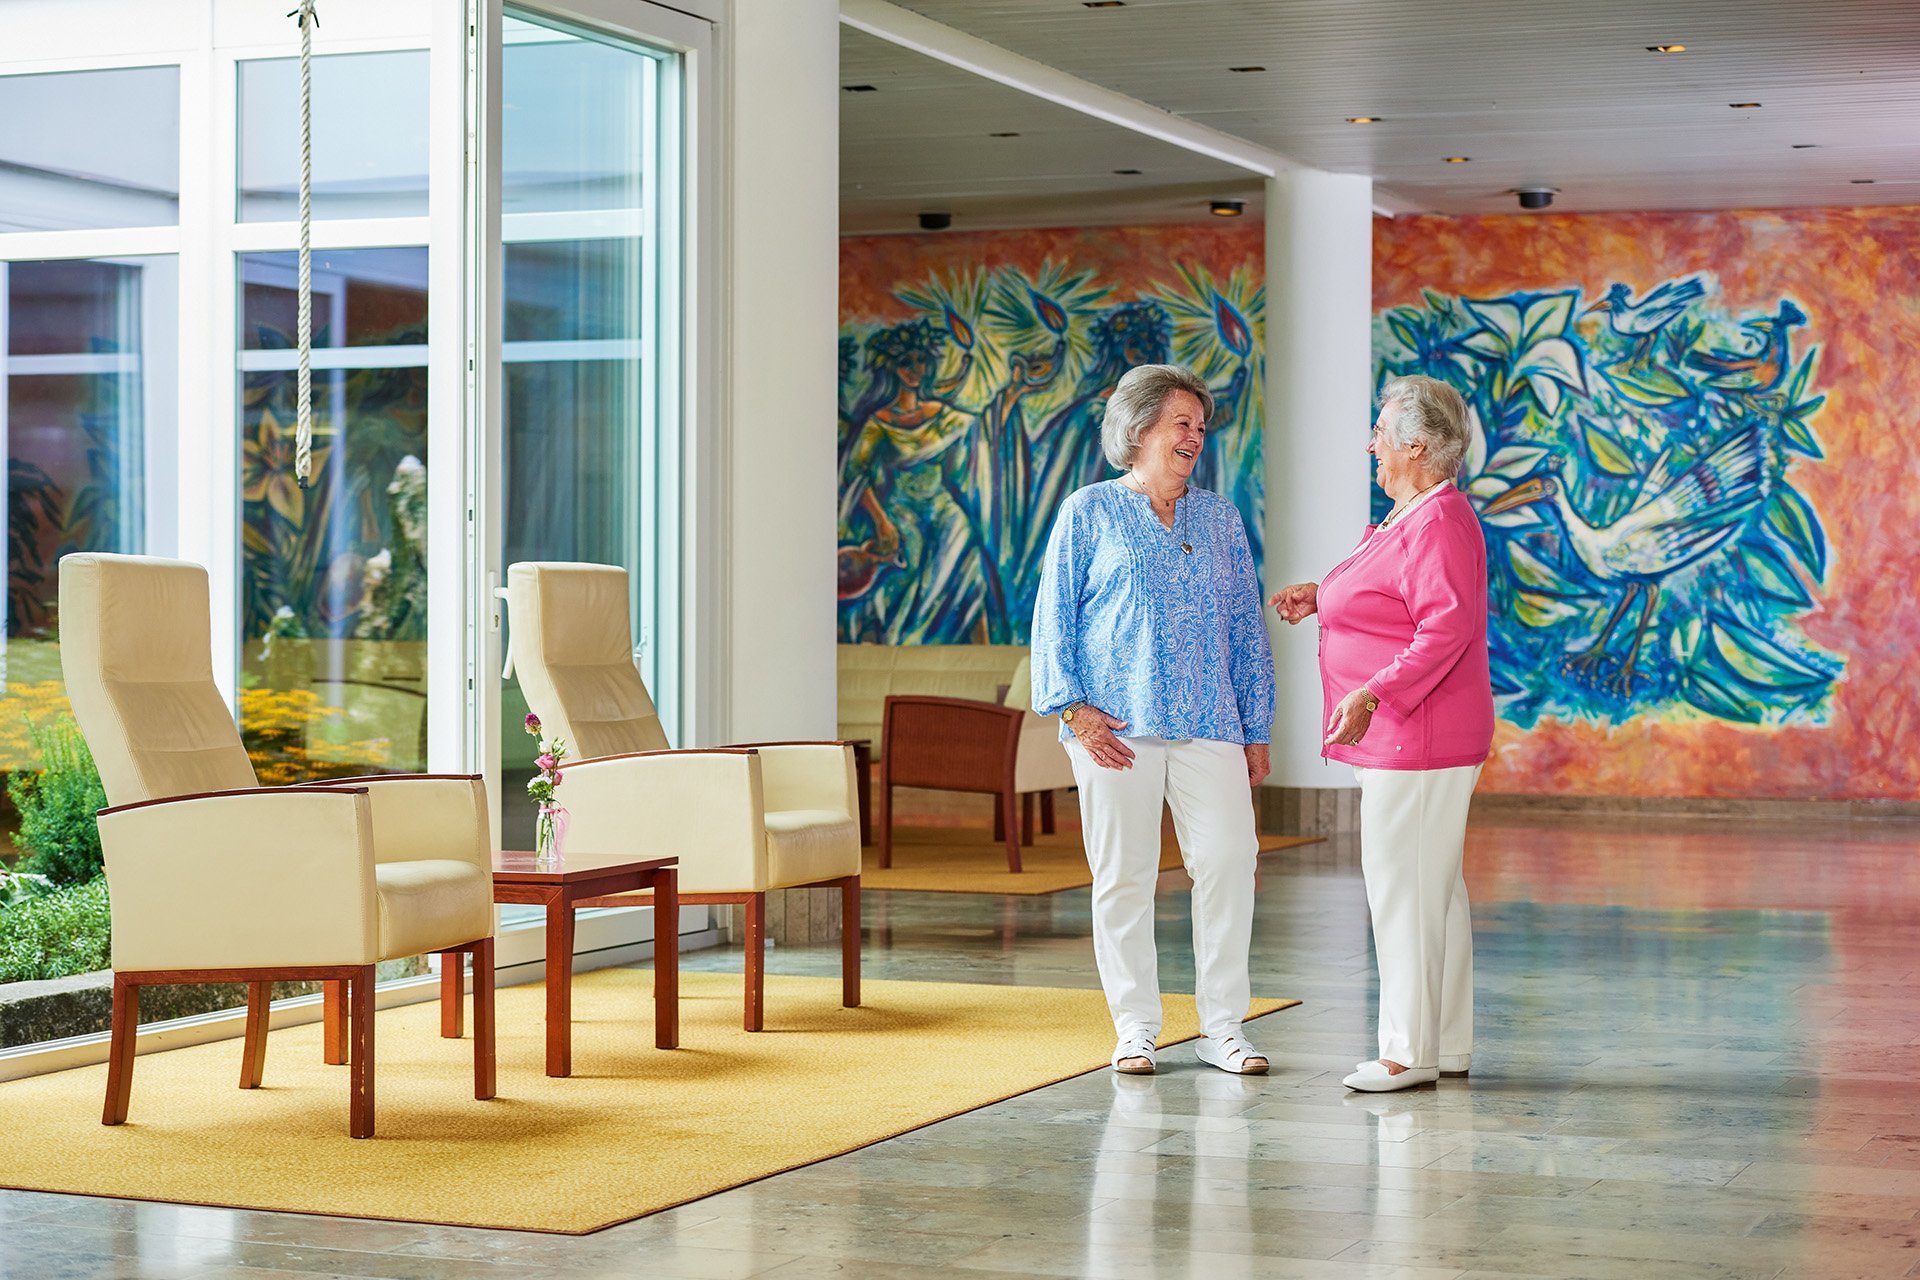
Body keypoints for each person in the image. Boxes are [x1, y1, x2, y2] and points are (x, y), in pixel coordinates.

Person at [1031, 363, 1276, 1077]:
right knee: (1123, 878)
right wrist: (1074, 711)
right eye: (1181, 423)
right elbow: (1054, 620)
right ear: (1139, 429)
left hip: (1210, 720)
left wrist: (1256, 728)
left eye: (1200, 427)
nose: (1195, 437)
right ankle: (1135, 1028)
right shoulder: (1089, 510)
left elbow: (1245, 629)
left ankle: (1224, 1027)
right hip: (1113, 729)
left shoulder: (1221, 517)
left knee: (1230, 861)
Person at [1271, 374, 1494, 1093]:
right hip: (1410, 739)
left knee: (1404, 891)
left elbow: (1445, 627)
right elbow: (1393, 598)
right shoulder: (1415, 514)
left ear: (1418, 446)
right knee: (1434, 892)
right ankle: (1446, 1043)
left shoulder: (1437, 520)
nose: (1371, 445)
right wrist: (1324, 599)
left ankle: (1406, 1053)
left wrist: (1374, 691)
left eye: (1380, 432)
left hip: (1417, 737)